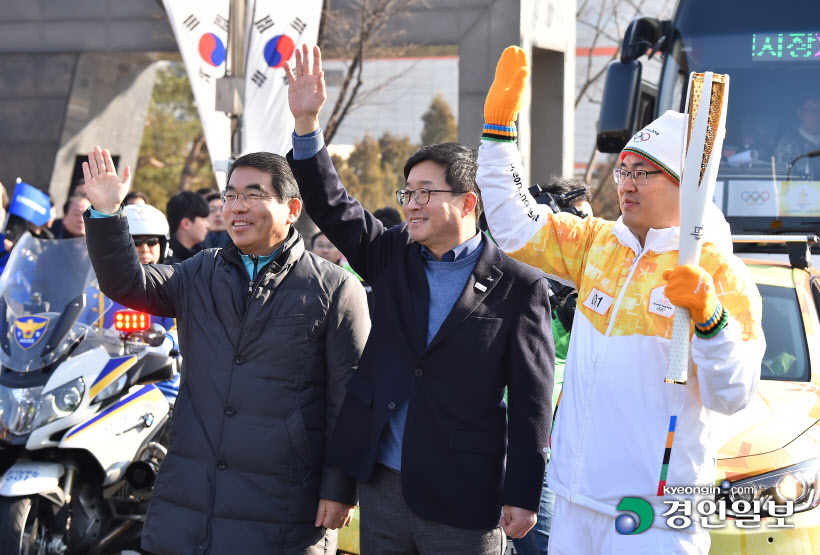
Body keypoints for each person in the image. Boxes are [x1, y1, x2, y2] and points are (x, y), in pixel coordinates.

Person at [476, 47, 765, 554]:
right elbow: (517, 224)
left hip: (655, 510)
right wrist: (499, 137)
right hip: (574, 495)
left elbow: (733, 395)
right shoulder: (598, 244)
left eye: (643, 173)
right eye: (623, 171)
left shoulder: (719, 271)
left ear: (685, 185)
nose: (626, 184)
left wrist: (711, 321)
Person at [285, 44, 554, 554]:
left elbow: (530, 405)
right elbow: (332, 204)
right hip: (382, 486)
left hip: (465, 497)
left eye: (425, 192)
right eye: (407, 192)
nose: (411, 204)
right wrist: (306, 124)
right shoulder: (391, 255)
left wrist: (523, 491)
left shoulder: (519, 286)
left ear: (468, 202)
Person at [82, 145, 370, 554]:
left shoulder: (336, 288)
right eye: (231, 195)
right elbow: (128, 283)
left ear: (292, 209)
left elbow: (351, 400)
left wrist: (341, 488)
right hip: (190, 499)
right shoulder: (200, 270)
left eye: (254, 195)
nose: (237, 206)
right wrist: (108, 214)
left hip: (284, 504)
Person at [512, 177, 592, 555]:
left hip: (563, 442)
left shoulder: (584, 273)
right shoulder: (513, 263)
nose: (584, 227)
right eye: (578, 217)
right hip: (518, 438)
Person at [99, 203, 180, 403]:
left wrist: (167, 341)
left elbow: (184, 329)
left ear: (164, 246)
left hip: (158, 388)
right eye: (136, 242)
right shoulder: (99, 288)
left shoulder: (176, 284)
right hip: (106, 385)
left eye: (152, 242)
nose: (145, 249)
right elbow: (79, 328)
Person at [775, 96, 820, 176]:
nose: (816, 115)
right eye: (810, 110)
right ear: (800, 113)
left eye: (818, 111)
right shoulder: (787, 145)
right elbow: (780, 175)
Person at [166, 190, 209, 262]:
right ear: (186, 224)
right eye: (203, 220)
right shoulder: (164, 261)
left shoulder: (203, 256)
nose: (208, 225)